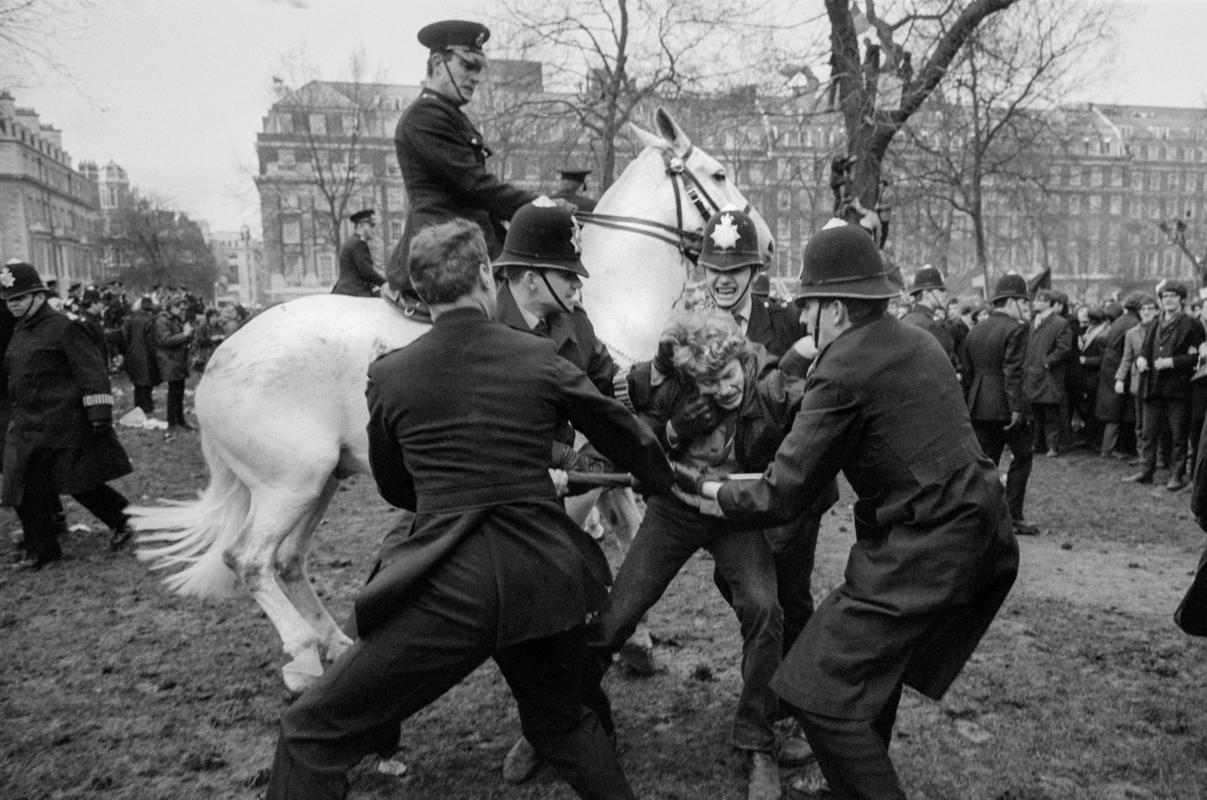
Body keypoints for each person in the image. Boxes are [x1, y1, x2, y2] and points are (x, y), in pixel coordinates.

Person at [265, 218, 673, 800]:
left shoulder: (390, 374)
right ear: (486, 275)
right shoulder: (538, 357)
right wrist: (661, 481)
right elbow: (626, 434)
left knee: (308, 730)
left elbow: (396, 489)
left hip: (447, 588)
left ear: (421, 290)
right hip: (543, 575)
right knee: (562, 724)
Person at [688, 224, 1019, 800]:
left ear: (835, 309)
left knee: (816, 688)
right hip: (967, 528)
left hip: (929, 542)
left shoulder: (841, 369)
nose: (803, 320)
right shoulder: (916, 340)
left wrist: (714, 493)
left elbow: (782, 493)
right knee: (868, 671)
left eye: (808, 307)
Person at [591, 308, 812, 800]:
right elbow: (631, 437)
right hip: (675, 508)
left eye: (729, 376)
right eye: (709, 384)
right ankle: (563, 716)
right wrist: (671, 429)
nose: (724, 391)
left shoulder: (771, 386)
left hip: (734, 515)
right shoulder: (676, 386)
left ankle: (756, 740)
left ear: (742, 360)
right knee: (620, 610)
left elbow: (818, 417)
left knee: (765, 608)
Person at [386, 19, 538, 311]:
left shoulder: (449, 114)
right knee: (517, 318)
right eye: (467, 66)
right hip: (445, 249)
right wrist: (536, 206)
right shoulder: (425, 116)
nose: (475, 77)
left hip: (470, 241)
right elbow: (474, 185)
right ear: (438, 62)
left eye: (478, 69)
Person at [1, 261, 133, 569]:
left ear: (38, 295)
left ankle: (127, 520)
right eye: (9, 300)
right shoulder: (21, 332)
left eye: (19, 298)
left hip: (64, 422)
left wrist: (99, 413)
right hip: (29, 425)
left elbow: (92, 371)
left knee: (81, 483)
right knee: (26, 489)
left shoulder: (65, 327)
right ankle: (42, 549)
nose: (14, 305)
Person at [960, 272, 1038, 536]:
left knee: (985, 463)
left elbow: (968, 372)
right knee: (1023, 457)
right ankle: (1013, 515)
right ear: (1012, 301)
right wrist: (1018, 408)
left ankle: (978, 516)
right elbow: (1013, 371)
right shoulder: (1017, 329)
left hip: (979, 405)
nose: (1026, 307)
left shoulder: (975, 330)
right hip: (1006, 405)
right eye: (1023, 301)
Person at [1124, 280, 1205, 490]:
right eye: (1165, 296)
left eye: (1173, 295)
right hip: (1152, 387)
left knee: (1178, 434)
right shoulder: (1154, 323)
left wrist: (1173, 362)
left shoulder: (1192, 324)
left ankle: (1176, 475)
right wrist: (1141, 359)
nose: (1168, 299)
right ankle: (1146, 471)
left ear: (1181, 299)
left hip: (1178, 388)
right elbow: (1145, 350)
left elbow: (1199, 357)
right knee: (1149, 433)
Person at [1023, 288, 1072, 457]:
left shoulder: (1059, 323)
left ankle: (1053, 446)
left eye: (1039, 299)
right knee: (1036, 412)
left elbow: (1064, 348)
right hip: (1033, 373)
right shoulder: (1033, 322)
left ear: (1048, 303)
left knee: (1051, 411)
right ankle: (1038, 444)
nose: (1035, 302)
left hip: (1050, 375)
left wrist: (1047, 362)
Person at [1098, 294, 1143, 458]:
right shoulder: (1133, 323)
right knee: (1117, 411)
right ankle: (1110, 448)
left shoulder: (1121, 320)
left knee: (1115, 410)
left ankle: (1109, 447)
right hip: (1120, 368)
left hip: (1110, 366)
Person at [901, 264, 956, 367]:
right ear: (926, 293)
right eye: (940, 290)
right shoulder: (931, 326)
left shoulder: (904, 320)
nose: (945, 294)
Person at [155, 295, 194, 431]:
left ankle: (181, 420)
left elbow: (185, 338)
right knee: (174, 392)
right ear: (172, 307)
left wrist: (188, 334)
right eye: (180, 308)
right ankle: (173, 422)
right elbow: (165, 340)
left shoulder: (178, 320)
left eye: (184, 309)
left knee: (179, 391)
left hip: (178, 359)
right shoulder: (163, 320)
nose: (183, 311)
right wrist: (184, 335)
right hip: (170, 359)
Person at [331, 209, 386, 297]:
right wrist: (386, 284)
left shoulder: (350, 242)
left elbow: (357, 273)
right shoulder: (358, 244)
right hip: (355, 292)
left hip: (345, 290)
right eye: (371, 226)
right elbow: (367, 272)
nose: (373, 230)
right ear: (361, 226)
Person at [122, 296, 160, 416]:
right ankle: (147, 406)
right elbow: (152, 341)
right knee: (147, 383)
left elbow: (125, 336)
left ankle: (138, 405)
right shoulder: (151, 321)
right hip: (146, 355)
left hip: (133, 353)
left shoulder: (131, 319)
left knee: (137, 382)